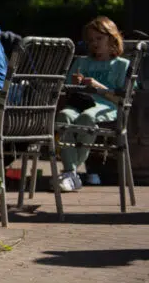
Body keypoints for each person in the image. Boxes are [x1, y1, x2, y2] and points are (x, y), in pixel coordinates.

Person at [55, 16, 130, 192]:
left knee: (87, 118)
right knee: (64, 116)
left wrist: (97, 86)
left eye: (99, 38)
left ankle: (69, 172)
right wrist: (75, 84)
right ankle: (71, 174)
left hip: (108, 106)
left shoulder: (122, 65)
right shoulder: (82, 62)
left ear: (112, 38)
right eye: (90, 40)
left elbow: (123, 99)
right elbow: (66, 89)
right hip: (81, 103)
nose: (94, 43)